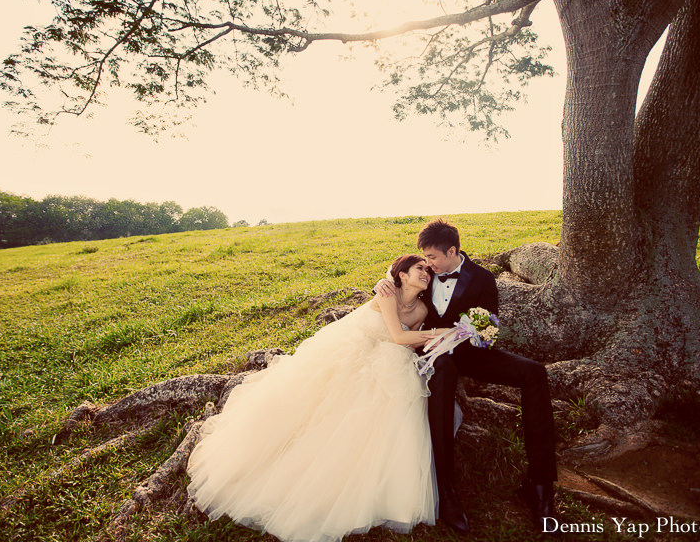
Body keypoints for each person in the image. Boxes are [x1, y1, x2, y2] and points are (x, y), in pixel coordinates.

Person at [186, 255, 440, 542]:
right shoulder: (386, 292)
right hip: (352, 352)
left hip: (386, 360)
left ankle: (363, 485)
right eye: (420, 268)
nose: (426, 274)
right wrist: (449, 332)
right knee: (318, 407)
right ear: (402, 275)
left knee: (388, 403)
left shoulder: (420, 310)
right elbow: (398, 335)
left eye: (428, 272)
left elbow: (411, 342)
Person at [376, 218, 557, 533]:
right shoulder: (425, 274)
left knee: (535, 373)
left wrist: (475, 333)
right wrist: (380, 284)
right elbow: (398, 285)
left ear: (453, 250)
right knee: (443, 370)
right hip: (433, 355)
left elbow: (489, 328)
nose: (428, 264)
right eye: (425, 259)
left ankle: (540, 487)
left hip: (472, 355)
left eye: (433, 257)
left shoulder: (483, 279)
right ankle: (446, 491)